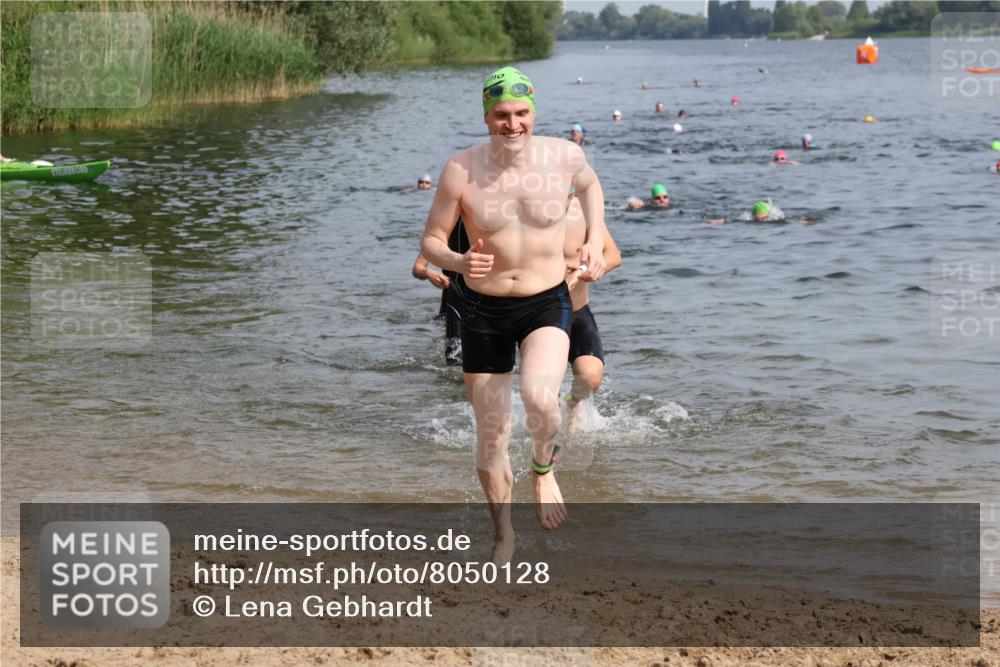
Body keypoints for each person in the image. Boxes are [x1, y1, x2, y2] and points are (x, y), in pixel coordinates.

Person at [419, 66, 608, 559]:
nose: (513, 123)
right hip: (481, 308)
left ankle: (544, 469)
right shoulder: (460, 170)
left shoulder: (565, 156)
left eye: (522, 113)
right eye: (502, 114)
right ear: (486, 116)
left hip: (546, 301)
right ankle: (504, 533)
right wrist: (458, 261)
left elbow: (590, 188)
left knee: (541, 397)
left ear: (534, 112)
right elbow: (431, 242)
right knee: (492, 435)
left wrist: (592, 238)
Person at [562, 195, 622, 430]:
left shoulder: (583, 209)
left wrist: (585, 270)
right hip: (539, 314)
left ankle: (571, 403)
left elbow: (613, 256)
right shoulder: (526, 206)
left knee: (590, 377)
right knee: (542, 390)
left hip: (577, 310)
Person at [412, 219, 470, 366]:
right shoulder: (443, 233)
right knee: (453, 363)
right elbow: (417, 268)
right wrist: (429, 273)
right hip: (453, 300)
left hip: (482, 299)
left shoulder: (486, 232)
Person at [708, 200, 812, 225]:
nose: (761, 220)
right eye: (758, 218)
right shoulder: (747, 218)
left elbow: (792, 220)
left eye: (763, 218)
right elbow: (727, 221)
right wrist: (709, 223)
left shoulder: (774, 217)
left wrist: (806, 222)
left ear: (768, 215)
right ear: (753, 216)